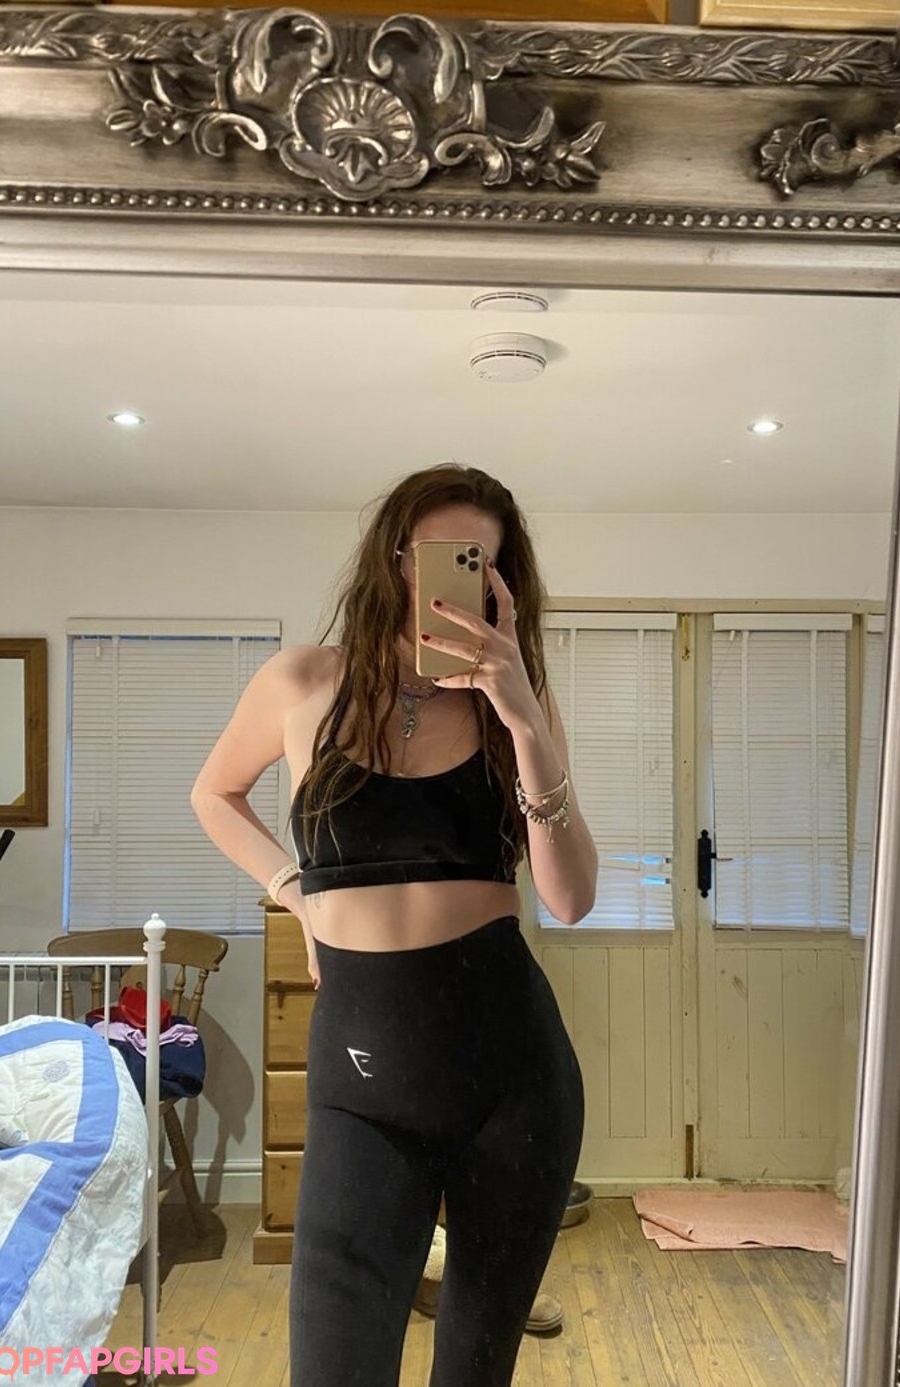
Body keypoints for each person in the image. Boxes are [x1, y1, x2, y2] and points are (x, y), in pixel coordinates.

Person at [191, 463, 597, 1386]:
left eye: (477, 562)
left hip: (515, 1084)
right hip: (361, 1092)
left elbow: (570, 897)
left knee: (474, 1369)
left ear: (500, 584)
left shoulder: (517, 706)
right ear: (394, 559)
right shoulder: (302, 681)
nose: (449, 578)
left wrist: (525, 721)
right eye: (435, 554)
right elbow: (214, 793)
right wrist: (293, 889)